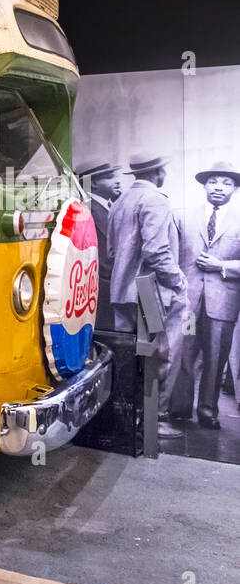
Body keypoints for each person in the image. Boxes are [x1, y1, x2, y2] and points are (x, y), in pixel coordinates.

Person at [107, 153, 188, 439]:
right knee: (158, 356)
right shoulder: (156, 200)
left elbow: (112, 252)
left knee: (130, 357)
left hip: (122, 291)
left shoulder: (119, 203)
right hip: (148, 290)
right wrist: (178, 281)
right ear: (158, 172)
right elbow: (156, 251)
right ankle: (154, 422)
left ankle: (128, 419)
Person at [168, 162, 240, 428]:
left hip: (223, 304)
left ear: (234, 188)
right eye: (213, 181)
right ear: (204, 185)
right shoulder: (183, 217)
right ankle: (180, 409)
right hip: (188, 303)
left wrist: (221, 265)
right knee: (184, 353)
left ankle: (208, 412)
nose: (219, 187)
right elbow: (172, 258)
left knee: (215, 358)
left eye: (226, 183)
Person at [77, 161, 124, 327]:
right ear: (94, 183)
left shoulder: (110, 207)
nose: (118, 181)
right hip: (101, 297)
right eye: (111, 177)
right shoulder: (86, 209)